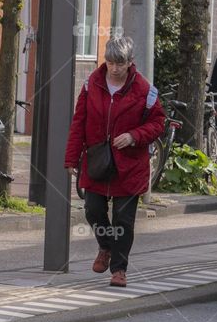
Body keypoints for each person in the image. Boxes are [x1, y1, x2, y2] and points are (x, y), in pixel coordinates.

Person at [64, 37, 166, 287]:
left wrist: (133, 136)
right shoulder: (91, 86)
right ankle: (106, 246)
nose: (114, 68)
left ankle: (119, 270)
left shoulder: (145, 90)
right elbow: (79, 123)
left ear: (131, 62)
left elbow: (157, 124)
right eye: (110, 63)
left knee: (123, 219)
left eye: (120, 64)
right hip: (98, 161)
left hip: (129, 166)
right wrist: (71, 157)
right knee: (93, 210)